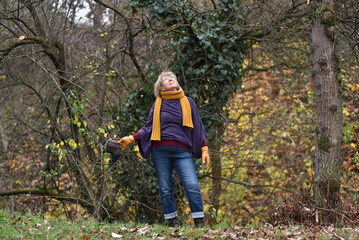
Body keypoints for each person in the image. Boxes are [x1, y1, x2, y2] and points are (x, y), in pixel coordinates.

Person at [119, 71, 210, 228]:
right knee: (166, 189)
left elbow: (198, 126)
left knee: (193, 186)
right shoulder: (158, 104)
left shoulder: (188, 102)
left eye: (172, 78)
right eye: (165, 80)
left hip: (182, 152)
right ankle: (172, 224)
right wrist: (133, 138)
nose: (170, 80)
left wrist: (204, 148)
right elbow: (148, 128)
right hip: (160, 152)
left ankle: (199, 223)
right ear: (161, 89)